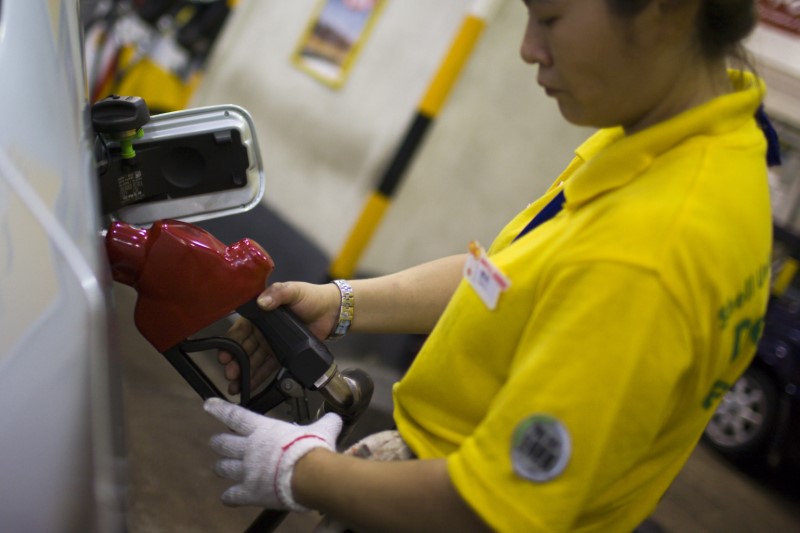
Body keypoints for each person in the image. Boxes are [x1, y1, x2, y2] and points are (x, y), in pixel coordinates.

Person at [204, 0, 779, 530]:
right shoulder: (695, 145)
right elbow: (509, 281)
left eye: (550, 19)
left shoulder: (649, 251)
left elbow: (487, 507)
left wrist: (299, 470)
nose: (529, 47)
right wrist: (341, 303)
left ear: (665, 15)